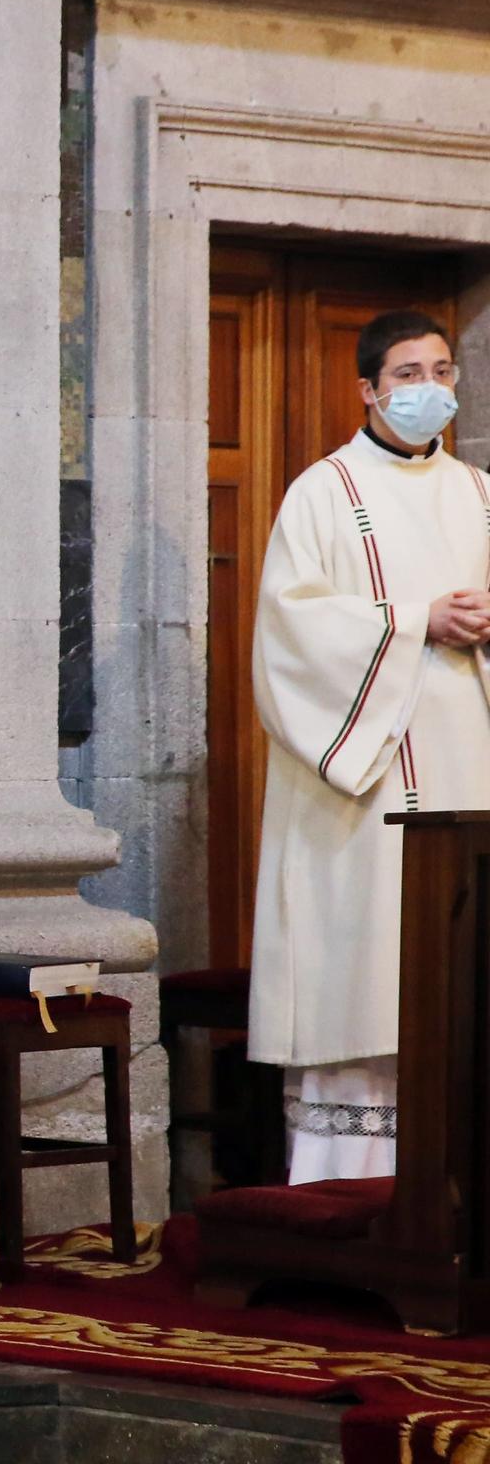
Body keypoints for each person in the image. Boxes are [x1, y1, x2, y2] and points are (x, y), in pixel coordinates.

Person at [250, 311, 490, 1184]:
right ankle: (344, 1187)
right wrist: (412, 623)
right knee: (369, 980)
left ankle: (459, 1196)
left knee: (460, 982)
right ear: (369, 389)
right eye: (407, 373)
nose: (428, 388)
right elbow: (288, 634)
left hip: (472, 770)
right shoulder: (324, 493)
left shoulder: (481, 493)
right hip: (364, 792)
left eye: (441, 370)